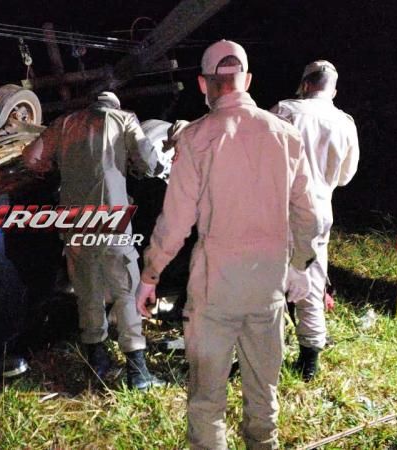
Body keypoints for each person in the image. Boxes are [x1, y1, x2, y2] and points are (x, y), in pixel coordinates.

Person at [135, 40, 320, 449]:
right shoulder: (285, 135)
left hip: (214, 293)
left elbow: (176, 221)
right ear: (248, 80)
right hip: (267, 290)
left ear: (204, 84)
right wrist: (300, 266)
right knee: (263, 395)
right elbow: (310, 214)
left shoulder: (196, 138)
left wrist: (150, 274)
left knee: (206, 401)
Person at [22, 91, 164, 390]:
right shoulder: (124, 119)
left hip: (75, 225)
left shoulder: (65, 123)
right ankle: (138, 372)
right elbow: (149, 163)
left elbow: (31, 158)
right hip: (111, 221)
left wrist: (57, 169)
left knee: (88, 291)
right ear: (114, 105)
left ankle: (97, 361)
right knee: (126, 290)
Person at [271, 60, 360, 381]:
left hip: (281, 210)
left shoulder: (285, 111)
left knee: (271, 284)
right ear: (332, 89)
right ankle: (309, 361)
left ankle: (268, 353)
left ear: (305, 84)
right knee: (311, 281)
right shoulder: (345, 123)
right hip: (320, 211)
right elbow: (347, 176)